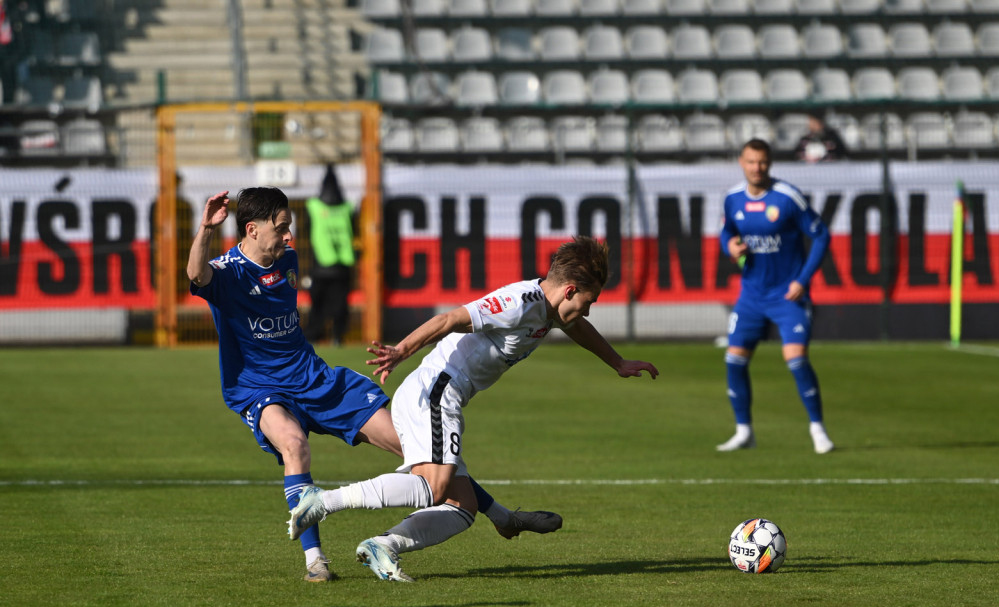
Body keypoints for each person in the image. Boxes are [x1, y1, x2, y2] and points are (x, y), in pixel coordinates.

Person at [186, 187, 562, 583]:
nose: (289, 237)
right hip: (258, 389)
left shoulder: (289, 260)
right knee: (295, 445)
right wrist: (206, 228)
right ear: (252, 229)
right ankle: (315, 561)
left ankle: (502, 517)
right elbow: (197, 275)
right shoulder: (227, 272)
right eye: (281, 229)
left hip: (315, 379)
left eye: (289, 228)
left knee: (419, 449)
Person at [288, 236, 660, 582]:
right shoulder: (518, 303)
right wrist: (401, 350)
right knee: (434, 487)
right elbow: (450, 319)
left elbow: (577, 327)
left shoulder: (551, 309)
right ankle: (321, 501)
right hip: (436, 392)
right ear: (570, 290)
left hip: (439, 396)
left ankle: (384, 546)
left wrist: (616, 362)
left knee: (462, 508)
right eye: (588, 302)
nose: (588, 312)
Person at [717, 139, 835, 455]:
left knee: (796, 359)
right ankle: (744, 431)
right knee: (734, 360)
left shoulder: (787, 198)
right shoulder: (732, 198)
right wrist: (728, 246)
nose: (757, 168)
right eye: (751, 162)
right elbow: (726, 231)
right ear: (741, 162)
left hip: (787, 295)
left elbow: (821, 235)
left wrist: (802, 280)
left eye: (763, 162)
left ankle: (817, 429)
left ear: (770, 164)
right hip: (752, 295)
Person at [305, 165, 355, 345]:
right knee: (340, 305)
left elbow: (307, 230)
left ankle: (312, 335)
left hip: (320, 265)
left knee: (316, 305)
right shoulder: (347, 208)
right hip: (342, 266)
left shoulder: (313, 207)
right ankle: (337, 337)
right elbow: (354, 231)